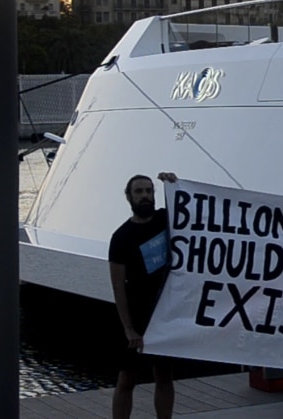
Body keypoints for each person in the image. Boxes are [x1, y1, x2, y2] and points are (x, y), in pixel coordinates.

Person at [108, 172, 176, 419]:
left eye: (149, 191)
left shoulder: (164, 220)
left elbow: (188, 206)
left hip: (164, 312)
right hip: (136, 315)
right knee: (127, 378)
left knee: (164, 375)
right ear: (129, 197)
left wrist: (174, 184)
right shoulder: (121, 237)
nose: (145, 195)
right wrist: (128, 328)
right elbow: (117, 286)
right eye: (139, 191)